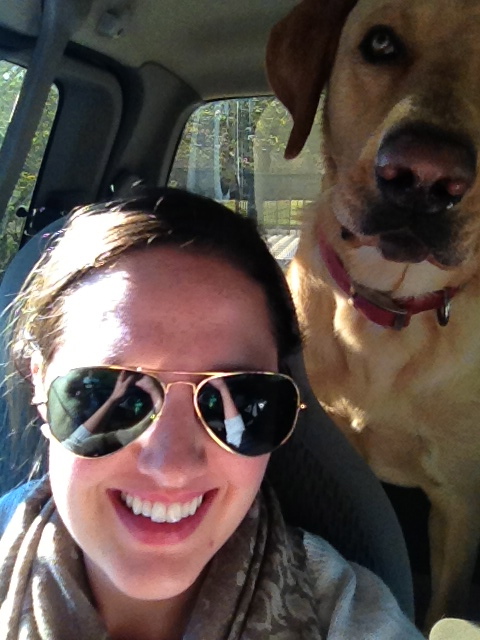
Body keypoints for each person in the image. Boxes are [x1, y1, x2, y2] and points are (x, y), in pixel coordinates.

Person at [0, 188, 423, 639]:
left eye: (235, 398)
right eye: (111, 395)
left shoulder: (348, 619)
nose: (172, 467)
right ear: (39, 385)